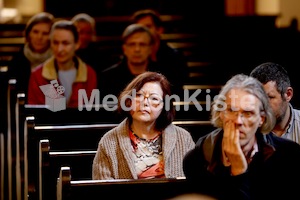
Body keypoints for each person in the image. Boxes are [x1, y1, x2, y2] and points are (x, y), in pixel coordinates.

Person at [182, 74, 300, 199]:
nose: (238, 120)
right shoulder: (196, 159)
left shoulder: (290, 156)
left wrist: (239, 170)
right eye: (231, 110)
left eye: (248, 113)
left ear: (261, 119)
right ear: (221, 114)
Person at [93, 71, 195, 179]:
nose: (145, 102)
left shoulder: (183, 138)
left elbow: (195, 181)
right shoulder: (109, 141)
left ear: (164, 106)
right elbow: (102, 190)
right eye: (139, 95)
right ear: (129, 101)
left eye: (154, 98)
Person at [27, 20, 97, 108]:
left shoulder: (89, 74)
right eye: (55, 43)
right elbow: (36, 113)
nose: (59, 49)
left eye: (65, 43)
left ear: (77, 44)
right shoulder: (38, 75)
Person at [131, 9, 189, 95]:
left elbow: (176, 88)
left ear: (159, 30)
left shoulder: (175, 57)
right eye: (140, 29)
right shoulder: (131, 55)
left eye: (148, 27)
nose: (144, 32)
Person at [99, 23, 157, 97]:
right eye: (132, 44)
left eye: (142, 44)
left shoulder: (164, 75)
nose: (137, 49)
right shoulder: (107, 78)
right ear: (124, 48)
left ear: (150, 48)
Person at [250, 62, 300, 144]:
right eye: (257, 98)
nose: (262, 106)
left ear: (288, 94)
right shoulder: (246, 127)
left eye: (269, 97)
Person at [8, 12, 54, 101]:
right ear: (29, 34)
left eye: (45, 33)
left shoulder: (59, 60)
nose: (39, 37)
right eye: (35, 32)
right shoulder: (17, 61)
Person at [71, 13, 110, 80]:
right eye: (81, 32)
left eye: (88, 33)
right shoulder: (66, 52)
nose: (85, 36)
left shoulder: (99, 54)